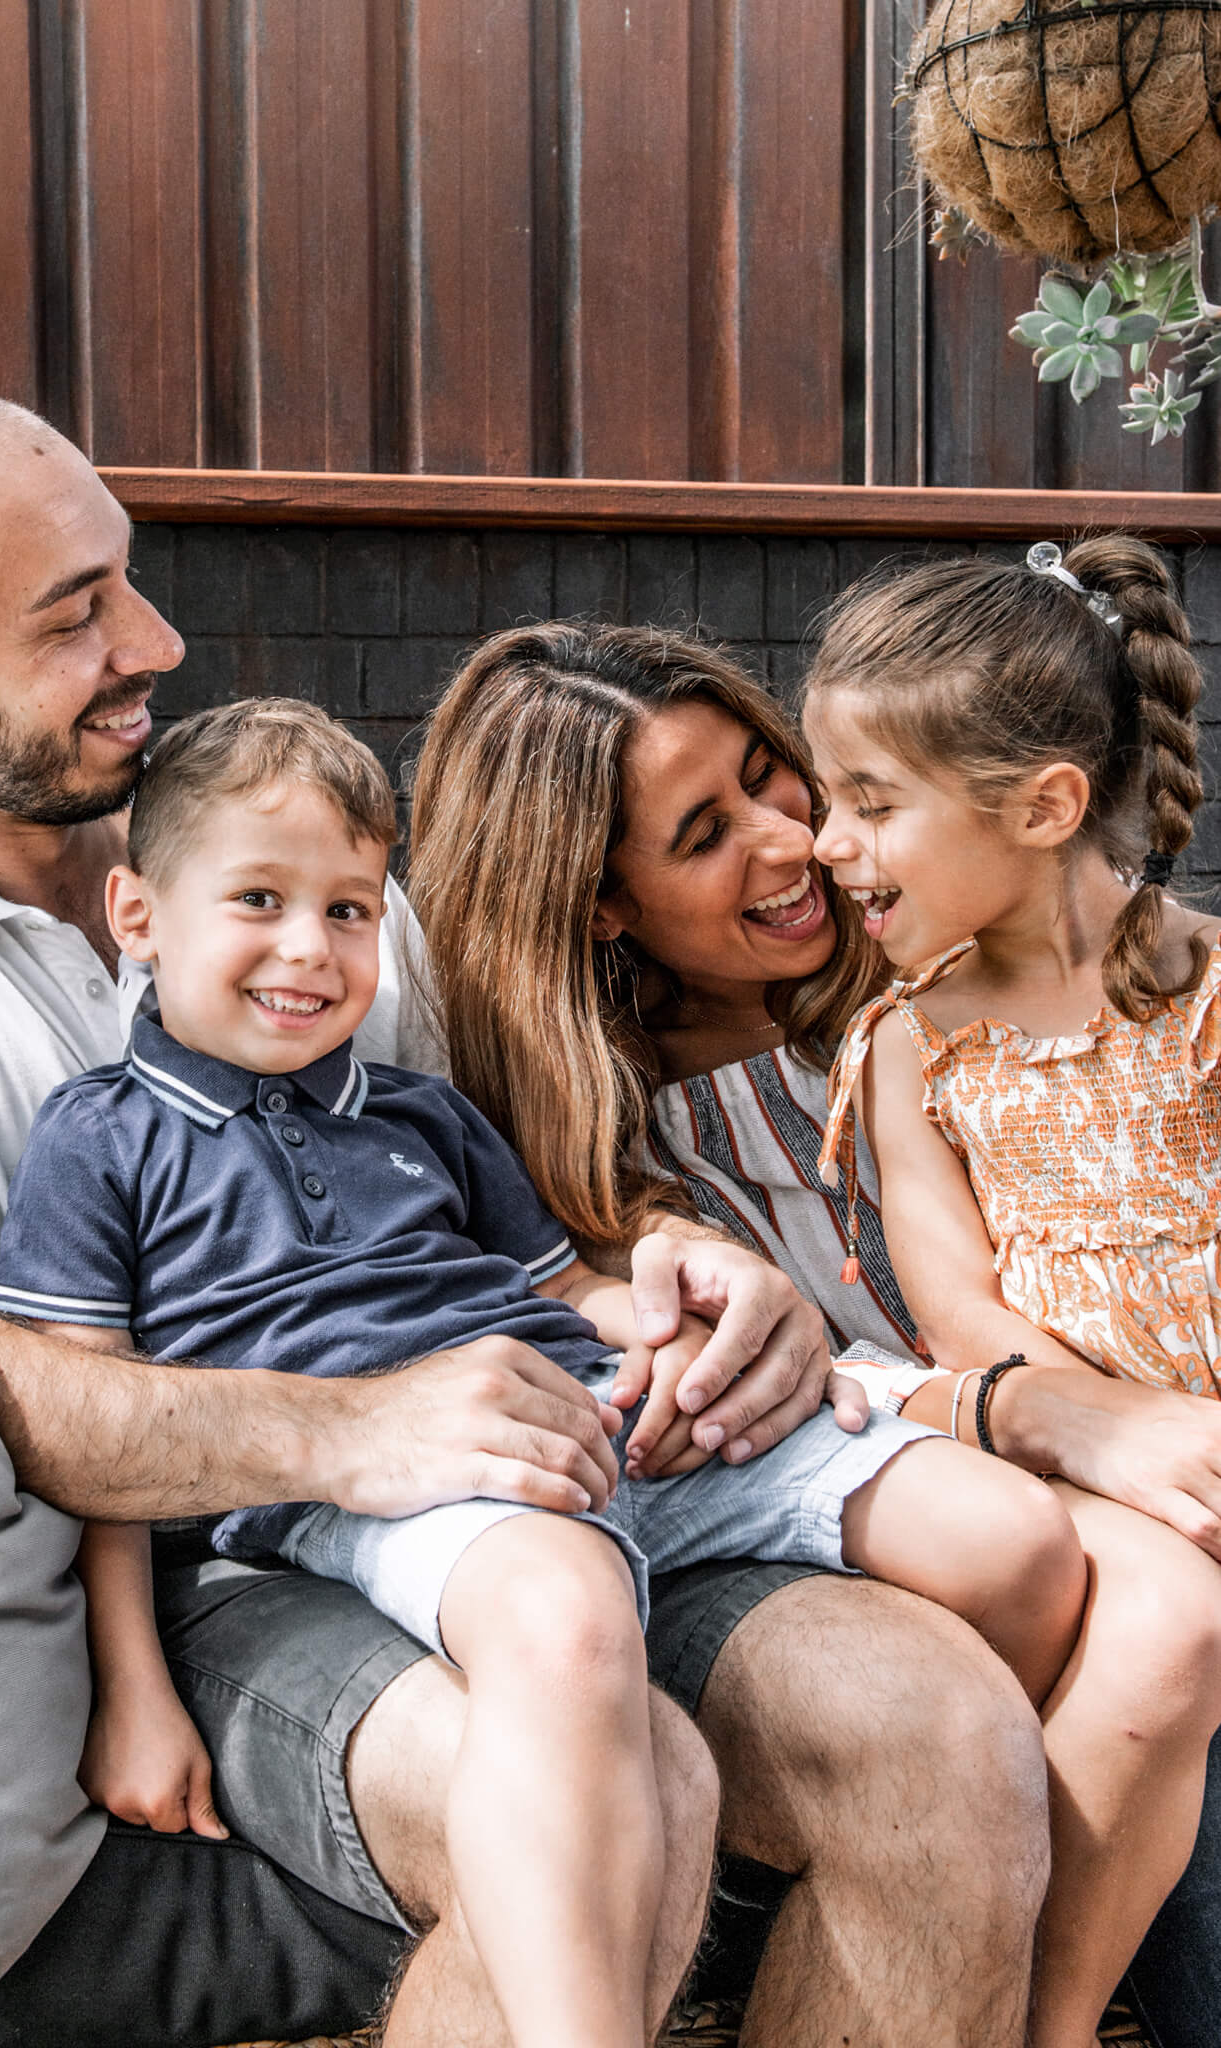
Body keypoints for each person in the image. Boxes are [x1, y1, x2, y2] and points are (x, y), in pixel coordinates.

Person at [0, 383, 1048, 2048]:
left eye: (123, 575)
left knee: (943, 1734)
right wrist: (362, 1430)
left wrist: (696, 1272)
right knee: (639, 1786)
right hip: (223, 1572)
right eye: (74, 617)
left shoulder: (303, 870)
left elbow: (503, 1226)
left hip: (535, 1479)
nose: (155, 635)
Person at [0, 696, 1092, 2048]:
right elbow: (89, 1432)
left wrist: (677, 1301)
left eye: (347, 910)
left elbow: (559, 1289)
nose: (308, 948)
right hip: (380, 1486)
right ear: (136, 914)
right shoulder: (98, 1138)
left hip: (595, 1422)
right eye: (258, 900)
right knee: (563, 1607)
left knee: (1002, 1532)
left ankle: (794, 1917)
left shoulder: (418, 1113)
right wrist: (133, 1688)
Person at [407, 616, 1221, 2048]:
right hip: (984, 1533)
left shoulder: (978, 985)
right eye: (703, 832)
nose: (793, 843)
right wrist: (1026, 1411)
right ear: (600, 904)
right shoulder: (599, 1165)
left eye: (776, 780)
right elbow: (781, 1410)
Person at [805, 537, 1218, 1412]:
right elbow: (957, 1317)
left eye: (872, 804)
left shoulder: (1206, 994)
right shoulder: (911, 1045)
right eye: (826, 798)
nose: (824, 843)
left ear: (1041, 808)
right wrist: (1145, 1439)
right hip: (1089, 1461)